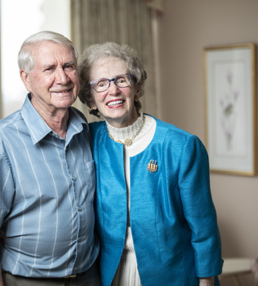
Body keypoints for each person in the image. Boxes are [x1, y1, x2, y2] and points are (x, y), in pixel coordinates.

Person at [78, 42, 223, 286]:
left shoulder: (181, 146)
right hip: (108, 274)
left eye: (121, 80)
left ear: (136, 87)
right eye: (101, 84)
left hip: (171, 275)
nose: (112, 91)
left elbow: (203, 226)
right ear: (91, 100)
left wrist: (207, 280)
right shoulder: (86, 140)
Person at [0, 31, 100, 286]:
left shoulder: (88, 131)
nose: (63, 78)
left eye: (68, 66)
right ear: (26, 79)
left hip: (89, 276)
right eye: (49, 69)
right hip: (28, 280)